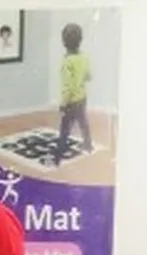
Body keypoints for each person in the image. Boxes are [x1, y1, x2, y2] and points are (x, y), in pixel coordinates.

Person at [52, 23, 93, 167]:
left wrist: (63, 103)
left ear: (64, 42)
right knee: (83, 122)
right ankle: (88, 145)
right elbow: (88, 76)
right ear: (80, 40)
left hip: (71, 101)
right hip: (82, 97)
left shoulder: (67, 62)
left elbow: (67, 86)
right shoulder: (83, 58)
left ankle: (59, 154)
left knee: (65, 127)